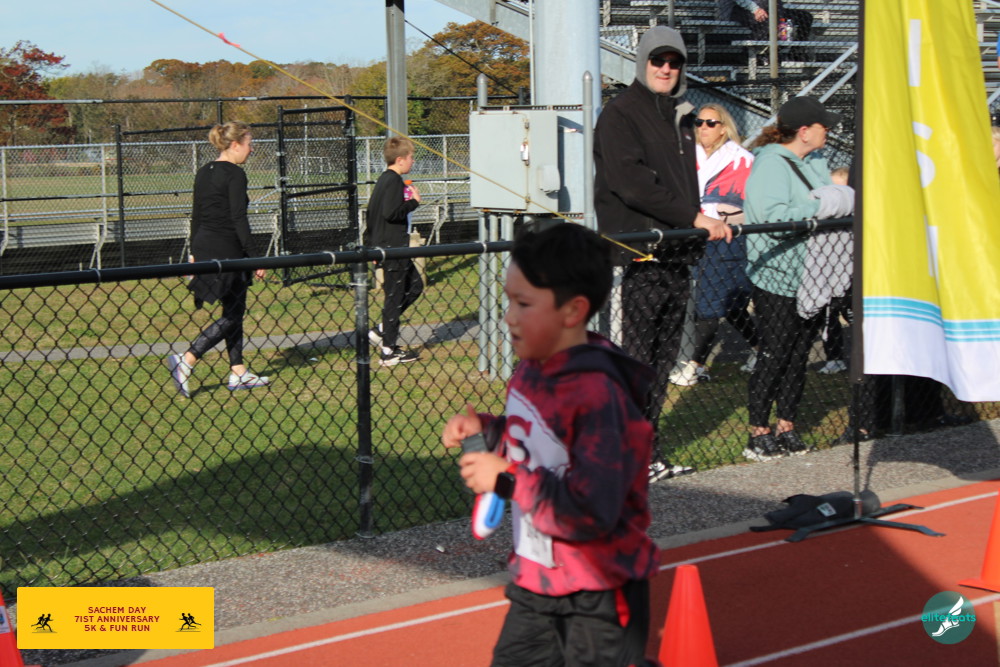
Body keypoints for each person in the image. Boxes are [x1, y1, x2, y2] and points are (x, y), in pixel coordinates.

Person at [441, 223, 659, 667]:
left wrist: (507, 479)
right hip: (539, 580)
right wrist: (486, 430)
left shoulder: (598, 396)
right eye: (508, 301)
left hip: (599, 588)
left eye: (523, 304)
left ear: (573, 310)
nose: (509, 317)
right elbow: (535, 438)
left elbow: (592, 510)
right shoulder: (531, 372)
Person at [594, 25, 732, 480]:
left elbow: (682, 184)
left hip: (676, 252)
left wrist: (695, 224)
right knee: (637, 360)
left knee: (660, 360)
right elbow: (632, 185)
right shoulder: (621, 113)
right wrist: (696, 218)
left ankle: (646, 452)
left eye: (674, 62)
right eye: (658, 60)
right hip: (641, 254)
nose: (666, 69)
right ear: (643, 62)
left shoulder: (681, 115)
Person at [743, 96, 854, 461]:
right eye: (824, 126)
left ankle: (786, 426)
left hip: (812, 277)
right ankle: (758, 433)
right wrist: (823, 206)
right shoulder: (770, 164)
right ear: (804, 131)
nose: (829, 131)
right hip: (776, 277)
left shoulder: (816, 160)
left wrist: (827, 204)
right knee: (775, 354)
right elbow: (771, 218)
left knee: (798, 355)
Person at [168, 121, 268, 398]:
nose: (251, 149)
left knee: (233, 310)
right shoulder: (235, 174)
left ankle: (238, 371)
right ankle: (187, 359)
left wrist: (194, 250)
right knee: (233, 313)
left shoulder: (204, 171)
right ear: (235, 145)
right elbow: (239, 218)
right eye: (249, 144)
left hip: (205, 244)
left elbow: (196, 215)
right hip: (227, 247)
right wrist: (256, 258)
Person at [670, 103, 758, 386]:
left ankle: (695, 365)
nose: (703, 128)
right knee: (729, 305)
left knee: (709, 301)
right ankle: (761, 347)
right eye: (699, 122)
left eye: (711, 123)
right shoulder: (685, 156)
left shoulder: (742, 159)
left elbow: (744, 204)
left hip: (725, 239)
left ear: (723, 128)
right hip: (688, 235)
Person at [366, 136, 423, 367]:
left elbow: (371, 214)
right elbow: (390, 213)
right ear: (400, 160)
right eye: (411, 157)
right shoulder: (393, 182)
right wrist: (413, 203)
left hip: (388, 246)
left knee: (415, 286)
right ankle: (388, 352)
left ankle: (382, 330)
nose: (412, 161)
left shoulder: (384, 180)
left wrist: (371, 245)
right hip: (392, 247)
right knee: (395, 296)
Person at [718, 0, 814, 43]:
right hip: (736, 10)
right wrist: (755, 9)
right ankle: (763, 51)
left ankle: (796, 52)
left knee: (805, 17)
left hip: (767, 10)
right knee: (769, 17)